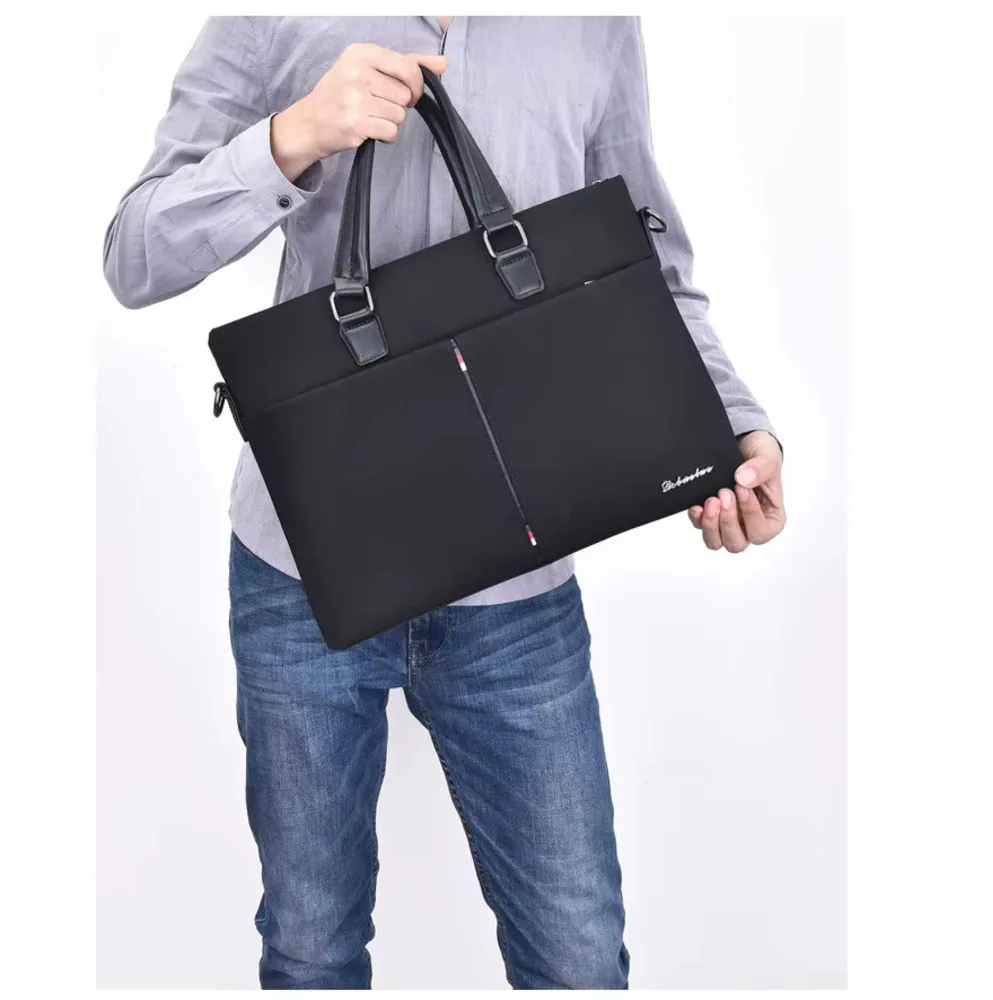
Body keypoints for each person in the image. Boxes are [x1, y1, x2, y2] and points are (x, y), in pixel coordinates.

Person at [103, 15, 786, 990]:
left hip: (520, 590)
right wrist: (293, 135)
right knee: (309, 951)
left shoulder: (590, 24)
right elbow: (134, 256)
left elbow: (651, 268)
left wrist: (734, 428)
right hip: (303, 576)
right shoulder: (270, 18)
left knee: (578, 960)